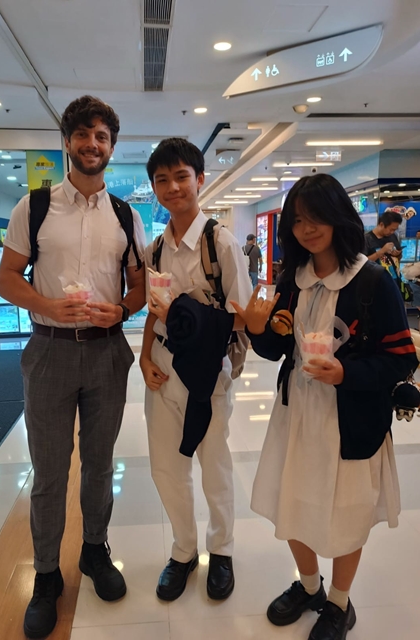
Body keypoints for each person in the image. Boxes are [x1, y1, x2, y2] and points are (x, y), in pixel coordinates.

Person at [232, 174, 417, 640]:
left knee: (348, 512)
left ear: (339, 217)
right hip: (297, 414)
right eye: (297, 221)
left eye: (316, 217)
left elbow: (401, 359)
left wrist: (345, 374)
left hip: (350, 420)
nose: (307, 229)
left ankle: (339, 602)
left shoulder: (371, 281)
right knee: (293, 500)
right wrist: (256, 329)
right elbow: (278, 349)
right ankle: (310, 586)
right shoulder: (292, 281)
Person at [0, 95, 146, 639]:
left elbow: (140, 286)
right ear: (67, 142)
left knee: (100, 464)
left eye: (102, 136)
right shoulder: (34, 206)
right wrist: (45, 304)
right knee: (50, 470)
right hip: (50, 350)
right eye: (83, 134)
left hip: (107, 351)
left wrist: (122, 309)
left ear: (112, 146)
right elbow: (7, 277)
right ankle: (44, 575)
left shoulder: (126, 215)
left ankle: (94, 550)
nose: (92, 144)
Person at [140, 138, 252, 602]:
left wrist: (191, 318)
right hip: (164, 367)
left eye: (181, 177)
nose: (172, 187)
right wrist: (145, 356)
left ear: (200, 180)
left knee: (214, 464)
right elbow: (154, 311)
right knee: (166, 467)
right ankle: (183, 550)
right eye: (162, 180)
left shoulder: (219, 242)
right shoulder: (155, 249)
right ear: (154, 187)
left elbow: (244, 314)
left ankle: (221, 550)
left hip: (208, 371)